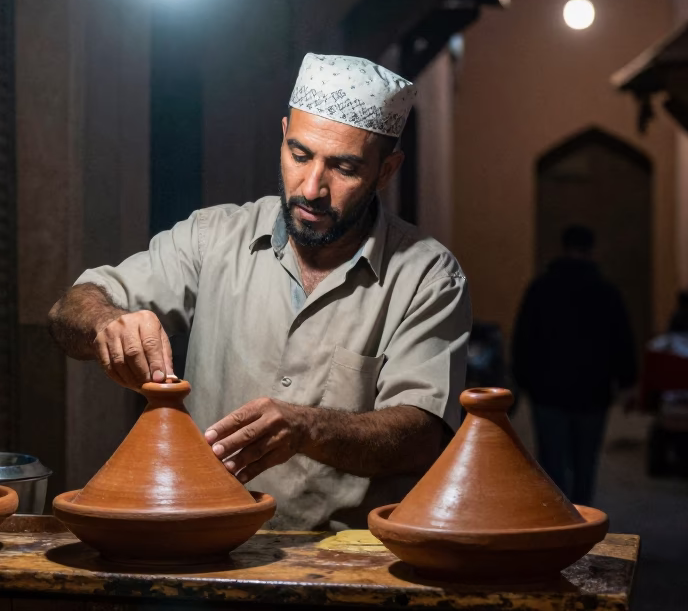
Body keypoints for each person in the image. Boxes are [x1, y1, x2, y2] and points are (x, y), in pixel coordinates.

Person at [48, 54, 471, 530]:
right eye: (300, 154)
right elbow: (71, 308)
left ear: (387, 170)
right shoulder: (212, 237)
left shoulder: (428, 276)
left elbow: (421, 433)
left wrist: (307, 427)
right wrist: (107, 322)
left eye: (345, 168)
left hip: (346, 566)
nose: (312, 188)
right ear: (284, 134)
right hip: (208, 544)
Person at [511, 225, 636, 504]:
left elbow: (524, 337)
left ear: (563, 247)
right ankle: (583, 523)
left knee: (552, 463)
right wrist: (627, 382)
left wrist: (522, 380)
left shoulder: (541, 288)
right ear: (592, 250)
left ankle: (557, 524)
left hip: (548, 391)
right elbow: (622, 339)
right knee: (585, 464)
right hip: (593, 391)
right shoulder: (606, 291)